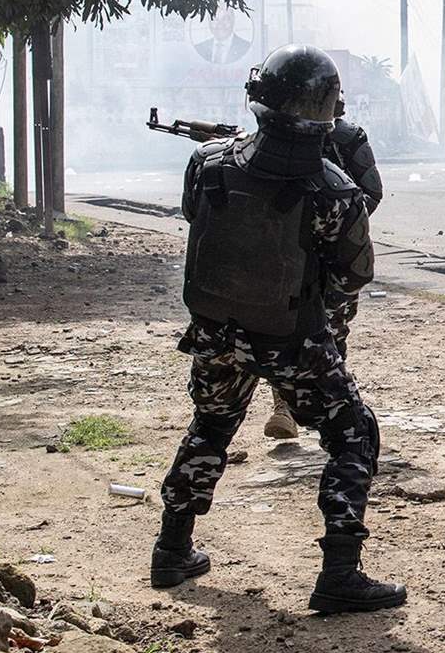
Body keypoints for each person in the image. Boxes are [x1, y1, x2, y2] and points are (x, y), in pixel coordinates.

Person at [153, 45, 406, 614]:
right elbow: (352, 276)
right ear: (330, 109)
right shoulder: (335, 190)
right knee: (353, 434)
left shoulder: (209, 163)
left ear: (258, 97)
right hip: (293, 337)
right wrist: (320, 340)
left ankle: (172, 549)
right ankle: (341, 571)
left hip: (216, 330)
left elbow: (202, 224)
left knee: (211, 427)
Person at [263, 106, 387, 440]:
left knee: (329, 334)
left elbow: (370, 193)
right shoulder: (274, 136)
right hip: (290, 252)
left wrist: (333, 218)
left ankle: (333, 414)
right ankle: (287, 409)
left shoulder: (346, 137)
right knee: (282, 332)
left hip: (332, 255)